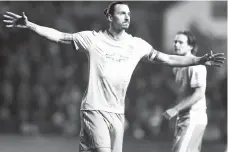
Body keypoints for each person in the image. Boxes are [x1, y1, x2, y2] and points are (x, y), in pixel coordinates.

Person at [3, 2, 225, 152]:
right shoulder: (93, 39)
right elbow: (60, 36)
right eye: (121, 13)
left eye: (129, 13)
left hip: (118, 114)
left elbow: (168, 59)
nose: (127, 16)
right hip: (94, 109)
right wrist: (30, 25)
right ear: (109, 16)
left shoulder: (137, 44)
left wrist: (198, 60)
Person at [163, 31, 209, 152]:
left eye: (181, 42)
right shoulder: (176, 66)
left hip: (194, 117)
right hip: (183, 118)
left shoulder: (196, 66)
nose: (176, 45)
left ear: (190, 46)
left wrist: (175, 109)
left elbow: (199, 94)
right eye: (175, 42)